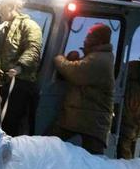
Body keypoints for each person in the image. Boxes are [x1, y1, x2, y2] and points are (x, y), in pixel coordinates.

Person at [49, 23, 115, 155]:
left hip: (91, 122)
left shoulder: (100, 59)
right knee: (51, 142)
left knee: (91, 162)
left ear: (100, 40)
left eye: (90, 36)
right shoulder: (96, 57)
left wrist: (59, 58)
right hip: (84, 118)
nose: (85, 39)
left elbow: (74, 72)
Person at [0, 0, 42, 136]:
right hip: (1, 81)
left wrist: (20, 67)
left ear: (11, 6)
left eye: (1, 8)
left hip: (21, 83)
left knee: (12, 123)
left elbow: (33, 49)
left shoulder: (30, 26)